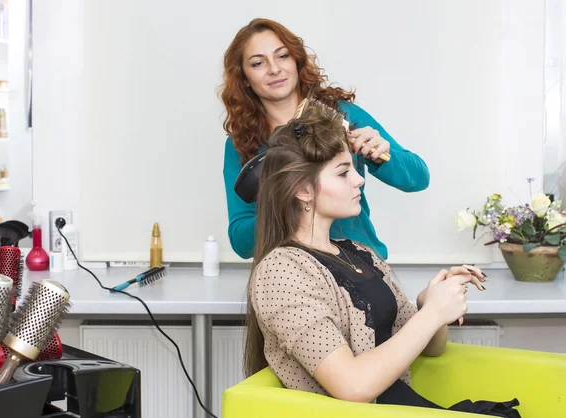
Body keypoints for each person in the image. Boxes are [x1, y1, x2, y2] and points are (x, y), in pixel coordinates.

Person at [243, 101, 521, 416]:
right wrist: (431, 315)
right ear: (304, 190)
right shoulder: (282, 271)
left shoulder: (359, 253)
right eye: (343, 172)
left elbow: (432, 347)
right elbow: (352, 386)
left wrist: (429, 303)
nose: (359, 180)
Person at [220, 18, 430, 261]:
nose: (274, 69)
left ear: (297, 60)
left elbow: (419, 179)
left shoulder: (342, 114)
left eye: (282, 56)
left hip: (361, 267)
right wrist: (285, 199)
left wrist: (382, 156)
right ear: (244, 77)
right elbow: (241, 242)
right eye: (258, 63)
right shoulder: (242, 144)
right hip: (291, 276)